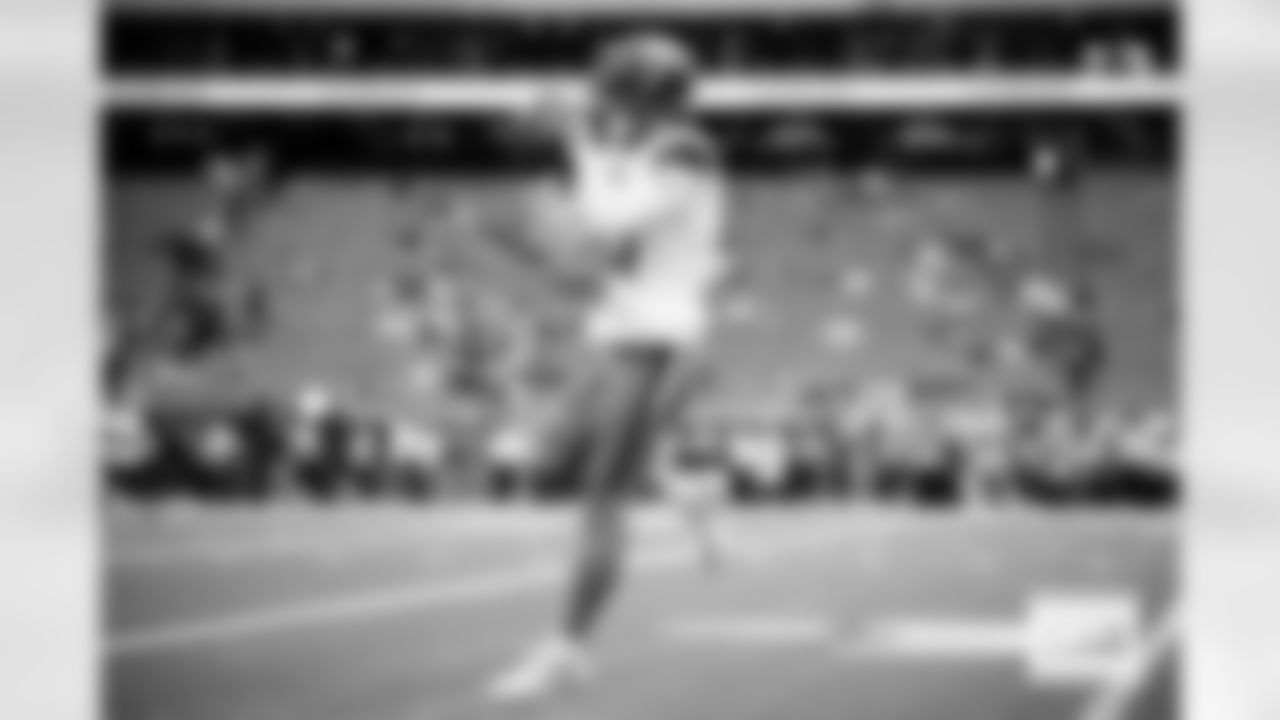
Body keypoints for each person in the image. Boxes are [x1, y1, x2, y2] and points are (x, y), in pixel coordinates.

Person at [484, 32, 729, 701]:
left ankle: (570, 647)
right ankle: (685, 494)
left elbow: (607, 222)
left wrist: (577, 144)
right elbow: (600, 247)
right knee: (555, 463)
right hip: (620, 331)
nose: (604, 102)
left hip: (657, 339)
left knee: (602, 499)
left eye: (615, 90)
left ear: (641, 95)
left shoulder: (684, 150)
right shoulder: (644, 148)